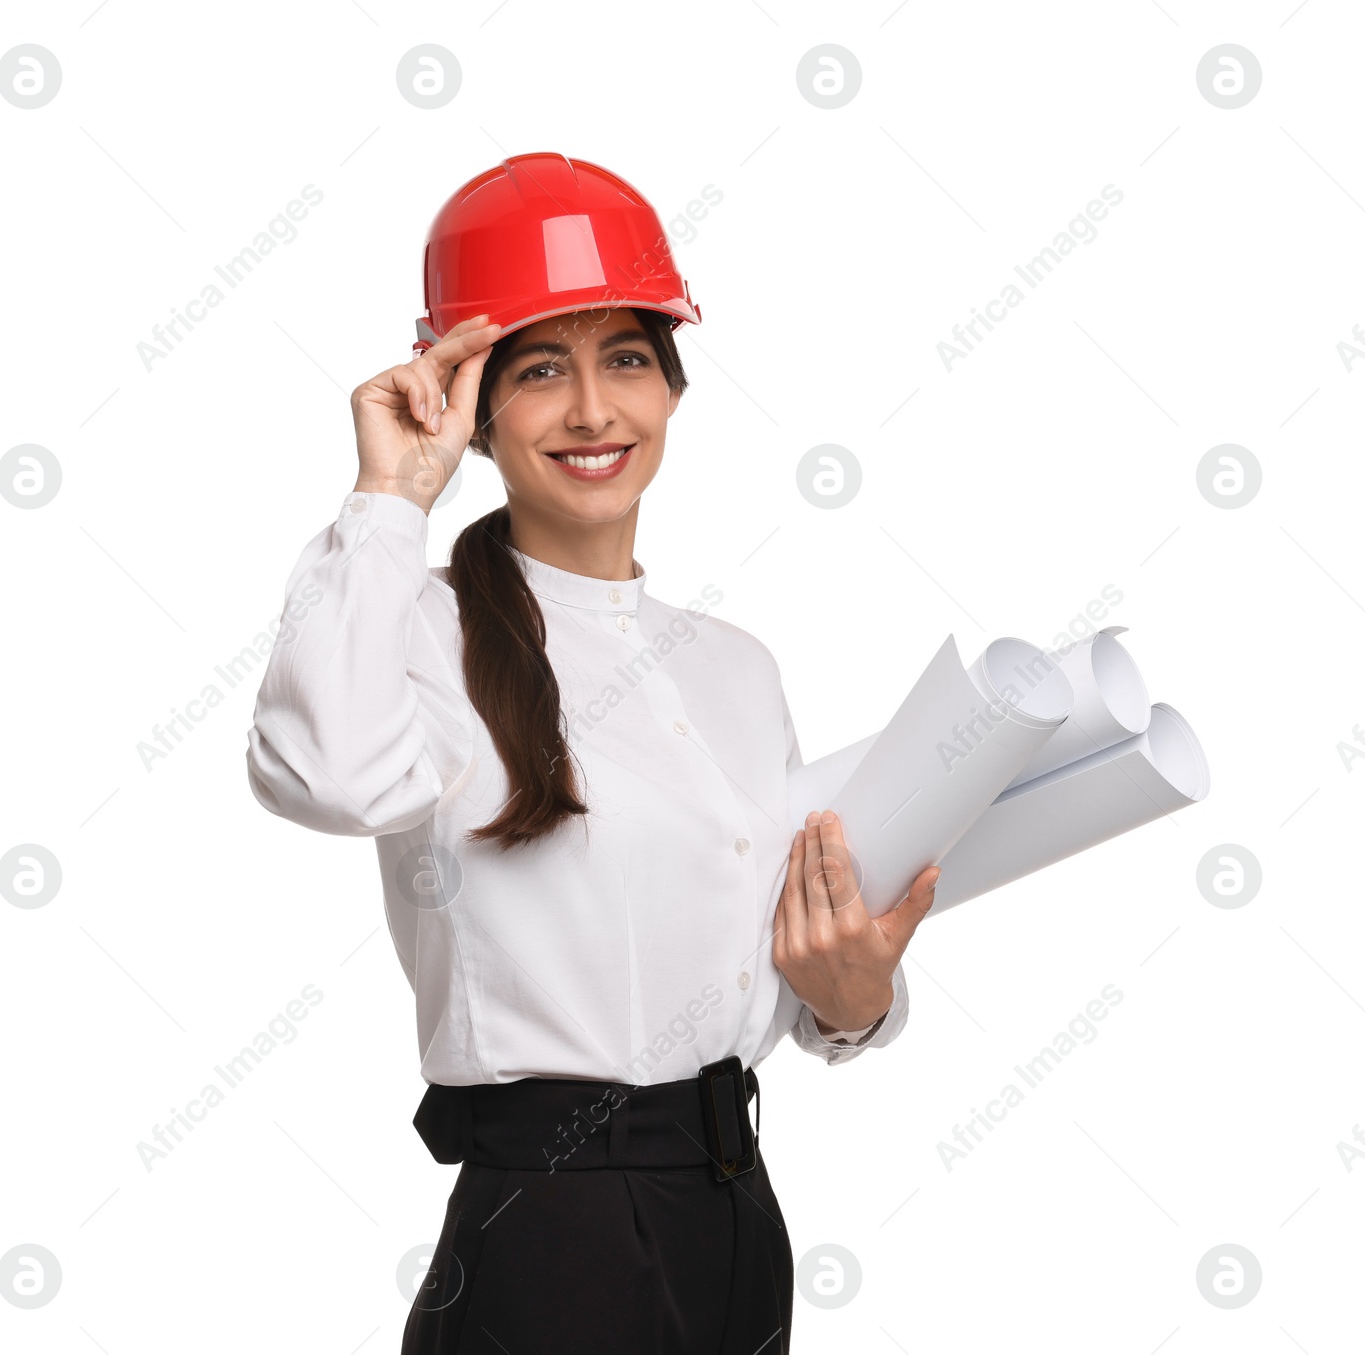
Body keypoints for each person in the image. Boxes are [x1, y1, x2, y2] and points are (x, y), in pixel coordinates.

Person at [244, 152, 939, 1355]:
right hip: (550, 1230)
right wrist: (386, 496)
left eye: (624, 358)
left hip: (736, 1215)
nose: (590, 411)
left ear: (671, 387)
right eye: (537, 371)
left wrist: (856, 1004)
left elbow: (766, 965)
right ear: (469, 404)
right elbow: (320, 771)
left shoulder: (735, 665)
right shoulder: (414, 624)